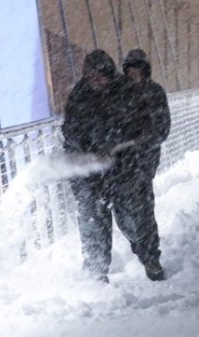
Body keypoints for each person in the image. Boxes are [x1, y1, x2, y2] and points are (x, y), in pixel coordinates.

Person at [61, 49, 165, 283]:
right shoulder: (79, 96)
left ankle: (150, 258)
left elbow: (144, 127)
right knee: (92, 222)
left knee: (135, 218)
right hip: (90, 172)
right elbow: (71, 131)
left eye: (102, 77)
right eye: (92, 77)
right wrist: (88, 149)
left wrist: (119, 144)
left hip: (125, 168)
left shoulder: (127, 91)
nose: (97, 82)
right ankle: (96, 273)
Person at [115, 48, 172, 278]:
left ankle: (151, 259)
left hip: (143, 162)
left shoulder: (155, 92)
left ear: (145, 70)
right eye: (130, 69)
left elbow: (162, 128)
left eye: (138, 69)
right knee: (121, 213)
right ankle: (140, 246)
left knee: (143, 211)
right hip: (119, 163)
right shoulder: (118, 93)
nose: (134, 73)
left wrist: (140, 142)